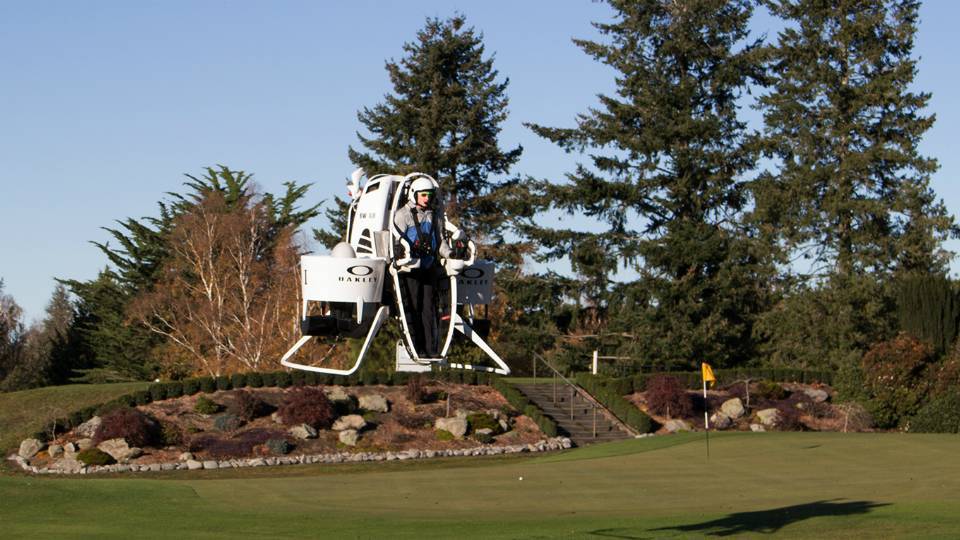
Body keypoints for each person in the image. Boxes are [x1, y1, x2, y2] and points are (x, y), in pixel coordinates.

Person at [393, 177, 451, 357]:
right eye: (423, 194)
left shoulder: (434, 216)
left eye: (429, 195)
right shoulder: (403, 215)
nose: (426, 198)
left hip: (429, 268)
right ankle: (417, 348)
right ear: (414, 194)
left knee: (429, 309)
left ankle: (430, 350)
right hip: (410, 270)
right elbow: (396, 243)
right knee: (414, 308)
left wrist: (451, 254)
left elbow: (440, 243)